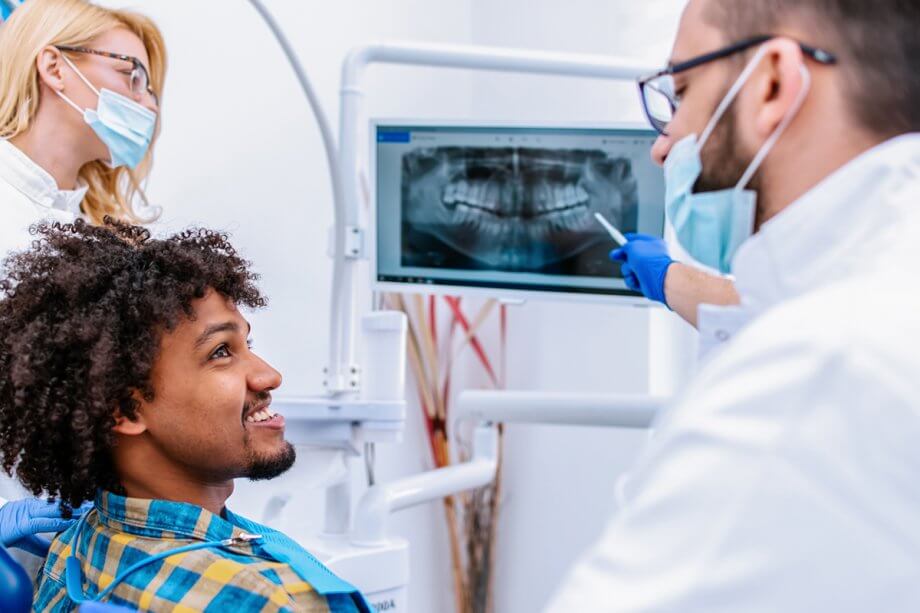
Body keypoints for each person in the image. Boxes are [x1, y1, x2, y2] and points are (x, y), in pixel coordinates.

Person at [548, 0, 920, 610]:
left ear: (772, 83)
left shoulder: (813, 377)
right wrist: (670, 280)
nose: (662, 150)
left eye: (683, 93)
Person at [0, 219, 371, 612]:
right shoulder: (268, 599)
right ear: (126, 409)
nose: (269, 375)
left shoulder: (72, 547)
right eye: (221, 352)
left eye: (248, 343)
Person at [0, 0, 166, 564]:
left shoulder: (87, 229)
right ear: (54, 67)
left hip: (61, 539)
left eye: (151, 89)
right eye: (132, 74)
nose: (147, 102)